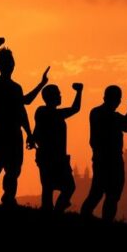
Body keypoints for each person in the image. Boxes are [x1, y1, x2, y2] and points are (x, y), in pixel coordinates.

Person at [0, 37, 49, 206]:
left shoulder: (16, 87)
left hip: (14, 133)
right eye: (6, 61)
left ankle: (8, 198)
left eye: (11, 61)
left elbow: (24, 106)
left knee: (13, 170)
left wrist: (29, 133)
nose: (10, 64)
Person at [80, 86, 127, 221]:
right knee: (102, 193)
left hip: (109, 158)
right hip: (106, 158)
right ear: (107, 98)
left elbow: (126, 126)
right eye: (117, 98)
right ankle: (96, 219)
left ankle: (97, 219)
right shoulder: (102, 114)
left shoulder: (97, 112)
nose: (118, 102)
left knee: (108, 194)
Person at [32, 83, 83, 212]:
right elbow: (75, 108)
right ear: (51, 97)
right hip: (50, 157)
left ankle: (54, 210)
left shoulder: (48, 112)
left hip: (53, 157)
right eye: (58, 94)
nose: (60, 96)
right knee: (62, 187)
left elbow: (74, 109)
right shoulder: (46, 112)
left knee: (53, 187)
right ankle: (56, 210)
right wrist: (79, 92)